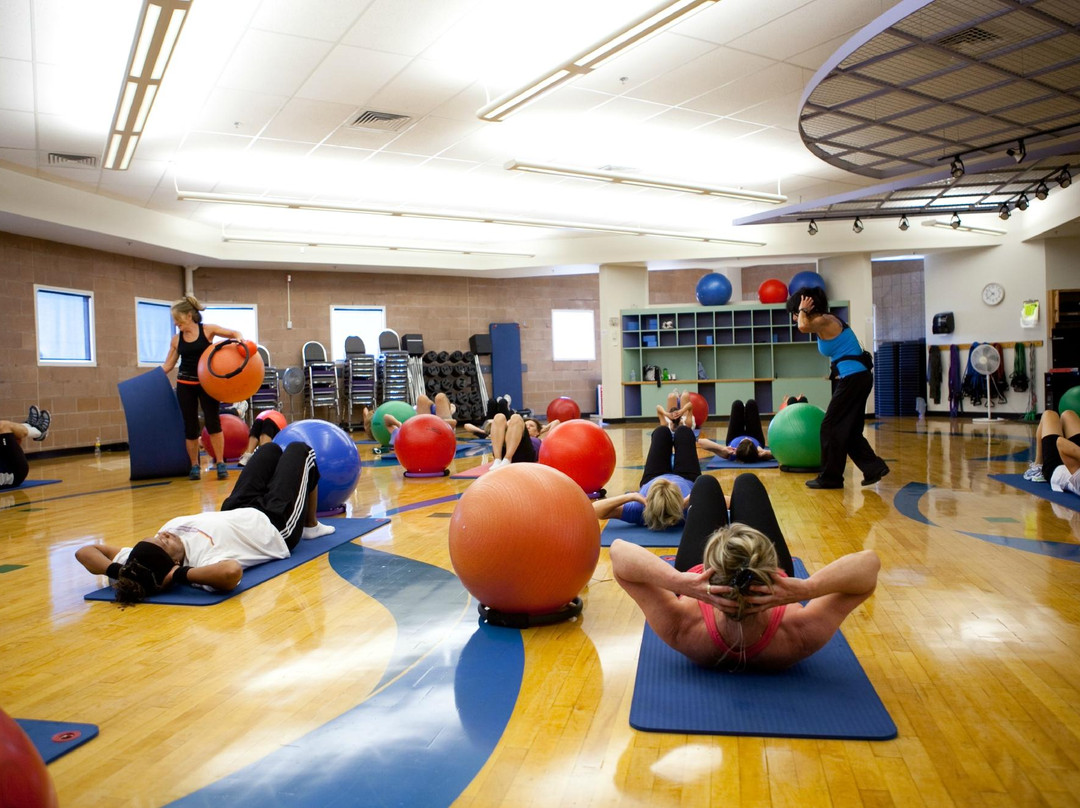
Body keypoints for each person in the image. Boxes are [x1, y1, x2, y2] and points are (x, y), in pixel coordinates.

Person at [610, 473, 880, 670]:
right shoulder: (797, 634)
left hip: (696, 574)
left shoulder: (685, 629)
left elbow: (619, 552)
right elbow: (869, 565)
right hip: (764, 574)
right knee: (747, 483)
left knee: (706, 485)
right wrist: (806, 588)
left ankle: (689, 503)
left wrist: (680, 582)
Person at [75, 441, 334, 603]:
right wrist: (180, 576)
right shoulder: (200, 564)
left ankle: (271, 462)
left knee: (269, 450)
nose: (163, 535)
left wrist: (116, 572)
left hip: (234, 508)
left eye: (157, 536)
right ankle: (310, 526)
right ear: (173, 564)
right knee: (301, 450)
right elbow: (231, 574)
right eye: (164, 543)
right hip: (274, 524)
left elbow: (85, 551)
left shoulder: (140, 561)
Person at [788, 288, 889, 489]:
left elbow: (801, 326)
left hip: (854, 379)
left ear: (807, 307)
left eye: (795, 311)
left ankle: (830, 478)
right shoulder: (823, 323)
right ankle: (873, 468)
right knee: (848, 430)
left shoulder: (824, 320)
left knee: (830, 427)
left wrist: (801, 310)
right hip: (855, 378)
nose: (794, 316)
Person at [160, 295, 243, 481]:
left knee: (213, 423)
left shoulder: (208, 331)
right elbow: (167, 366)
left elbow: (234, 333)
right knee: (190, 427)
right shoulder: (176, 340)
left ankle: (220, 463)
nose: (175, 323)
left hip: (207, 384)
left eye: (178, 319)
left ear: (189, 316)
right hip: (185, 385)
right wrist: (149, 377)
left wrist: (241, 343)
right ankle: (194, 466)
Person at [593, 424, 698, 529]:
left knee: (661, 432)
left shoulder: (640, 510)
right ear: (679, 504)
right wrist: (691, 497)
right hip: (687, 477)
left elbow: (594, 509)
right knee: (684, 432)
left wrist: (631, 496)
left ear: (649, 503)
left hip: (653, 476)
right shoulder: (690, 510)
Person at [697, 399, 773, 463]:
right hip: (755, 437)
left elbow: (701, 442)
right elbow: (783, 455)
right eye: (748, 440)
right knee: (751, 403)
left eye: (744, 440)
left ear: (737, 449)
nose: (746, 437)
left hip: (735, 436)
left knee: (737, 404)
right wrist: (767, 452)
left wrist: (722, 448)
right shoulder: (760, 453)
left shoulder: (729, 454)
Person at [1023, 409, 1080, 492]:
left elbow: (1061, 443)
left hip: (1057, 468)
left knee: (1049, 415)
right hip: (1075, 462)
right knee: (1069, 414)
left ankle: (1038, 467)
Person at [0, 405, 50, 490]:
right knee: (3, 427)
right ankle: (37, 432)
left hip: (5, 463)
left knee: (4, 428)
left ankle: (27, 426)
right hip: (13, 473)